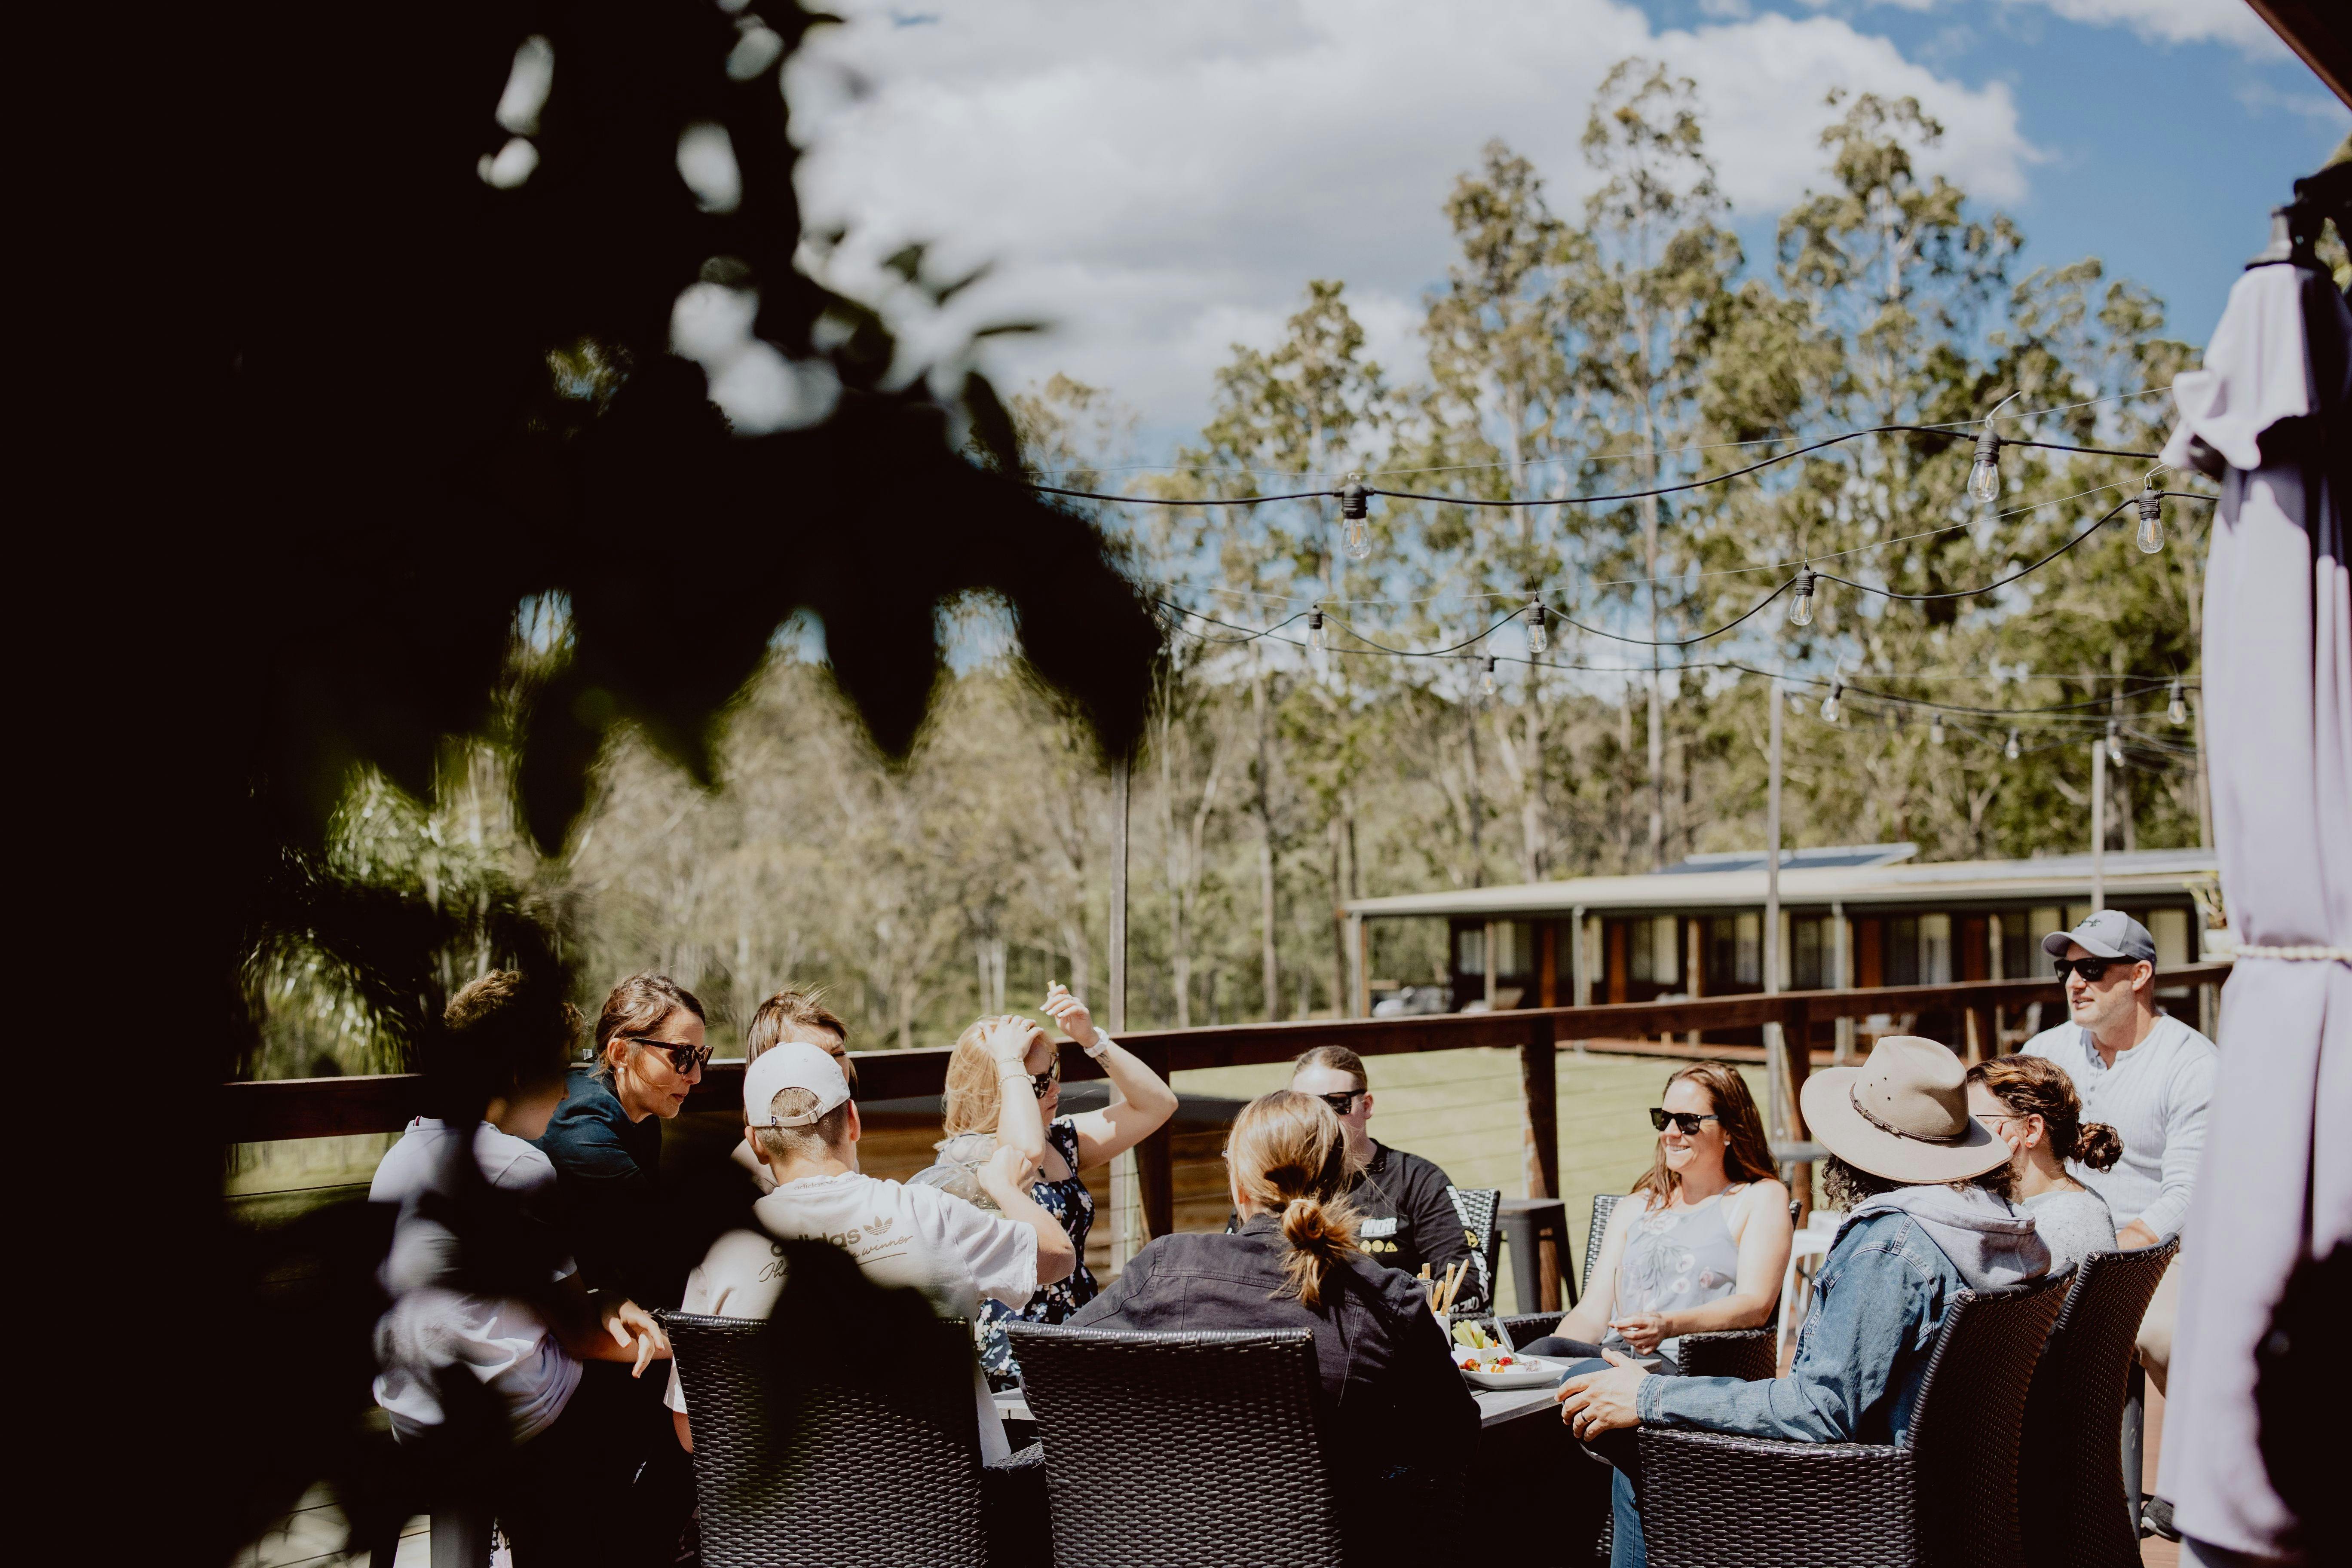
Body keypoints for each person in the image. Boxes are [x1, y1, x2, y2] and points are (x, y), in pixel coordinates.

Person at [1555, 1036, 2050, 1568]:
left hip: (1850, 1497)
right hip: (1941, 1493)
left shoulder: (1889, 1247)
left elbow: (1821, 1410)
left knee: (1644, 1447)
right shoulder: (1997, 1231)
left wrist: (1651, 1397)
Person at [1068, 1090, 1477, 1556]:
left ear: (1239, 1184)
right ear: (1343, 1178)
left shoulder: (1165, 1267)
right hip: (1332, 1548)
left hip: (1155, 1544)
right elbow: (1454, 1437)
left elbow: (1060, 1357)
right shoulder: (1386, 1299)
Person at [370, 971, 676, 1567]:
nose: (567, 1093)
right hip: (505, 1429)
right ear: (517, 1074)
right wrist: (683, 1346)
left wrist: (602, 1299)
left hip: (410, 1413)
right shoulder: (516, 1168)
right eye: (559, 1071)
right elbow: (584, 1337)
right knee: (629, 1392)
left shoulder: (403, 1152)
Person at [667, 1040, 1076, 1462]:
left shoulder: (721, 1252)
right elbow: (1058, 1254)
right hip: (955, 1520)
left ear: (756, 1143)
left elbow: (693, 1431)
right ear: (854, 1120)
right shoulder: (927, 1213)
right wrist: (1006, 1188)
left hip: (799, 1526)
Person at [916, 984, 1178, 1382]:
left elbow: (1158, 1104)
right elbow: (1024, 1150)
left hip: (1077, 1331)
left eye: (1053, 1072)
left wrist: (1092, 1039)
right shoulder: (965, 1156)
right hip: (1014, 1353)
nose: (1056, 1089)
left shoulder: (1059, 1141)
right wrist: (1008, 1060)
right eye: (1037, 1082)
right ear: (996, 1087)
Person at [2019, 910, 2215, 1394]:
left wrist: (2108, 1254)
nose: (2075, 984)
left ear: (2140, 975)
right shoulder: (2044, 1054)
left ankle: (2212, 1462)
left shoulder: (2194, 1065)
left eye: (2093, 970)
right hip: (2052, 1244)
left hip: (2158, 1255)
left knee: (2167, 1336)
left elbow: (2190, 1195)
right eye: (2067, 970)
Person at [1521, 1062, 1792, 1370]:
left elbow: (1756, 1305)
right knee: (1535, 1356)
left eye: (1688, 1122)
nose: (1671, 1133)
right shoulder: (1635, 1207)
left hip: (1687, 1372)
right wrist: (1540, 1367)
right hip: (1615, 1360)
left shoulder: (1758, 1198)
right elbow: (1591, 1314)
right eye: (1664, 1120)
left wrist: (1668, 1325)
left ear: (1729, 1128)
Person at [534, 973, 710, 1309]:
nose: (696, 1075)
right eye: (682, 1056)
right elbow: (655, 1241)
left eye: (701, 1055)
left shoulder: (640, 1112)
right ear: (620, 1053)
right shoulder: (581, 1123)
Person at [1287, 1044, 1479, 1305]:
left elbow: (1467, 1282)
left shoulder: (1417, 1179)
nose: (1322, 1119)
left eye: (1336, 1103)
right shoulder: (1282, 1182)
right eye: (1306, 1107)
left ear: (1366, 1106)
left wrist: (1378, 1316)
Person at [1966, 1054, 2121, 1276]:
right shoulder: (2076, 1199)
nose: (1966, 1134)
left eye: (1977, 1121)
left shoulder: (2046, 1233)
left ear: (2031, 1130)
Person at [732, 986, 854, 1196]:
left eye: (838, 1053)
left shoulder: (841, 1137)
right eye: (810, 1056)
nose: (833, 1068)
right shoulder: (753, 1180)